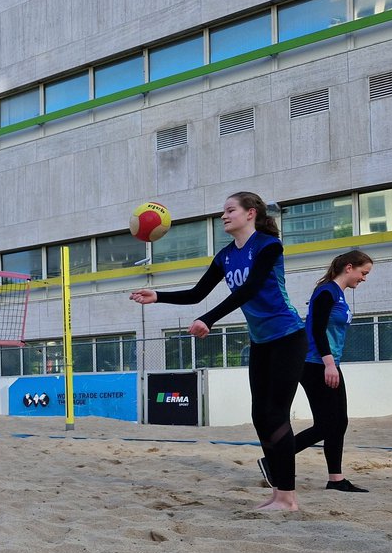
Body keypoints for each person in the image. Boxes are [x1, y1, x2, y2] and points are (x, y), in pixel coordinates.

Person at [131, 192, 306, 511]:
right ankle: (279, 492)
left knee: (276, 414)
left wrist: (208, 319)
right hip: (262, 342)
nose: (223, 216)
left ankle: (287, 498)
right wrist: (158, 295)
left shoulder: (268, 246)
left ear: (250, 214)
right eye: (222, 211)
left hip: (288, 337)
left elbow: (250, 288)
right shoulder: (225, 256)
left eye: (230, 210)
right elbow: (198, 293)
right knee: (259, 415)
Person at [294, 249, 374, 493]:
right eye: (363, 272)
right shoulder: (326, 292)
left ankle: (336, 479)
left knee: (339, 422)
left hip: (329, 364)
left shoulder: (339, 295)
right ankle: (273, 458)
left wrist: (332, 363)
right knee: (328, 424)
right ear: (348, 267)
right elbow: (317, 330)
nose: (364, 278)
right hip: (315, 365)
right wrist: (329, 364)